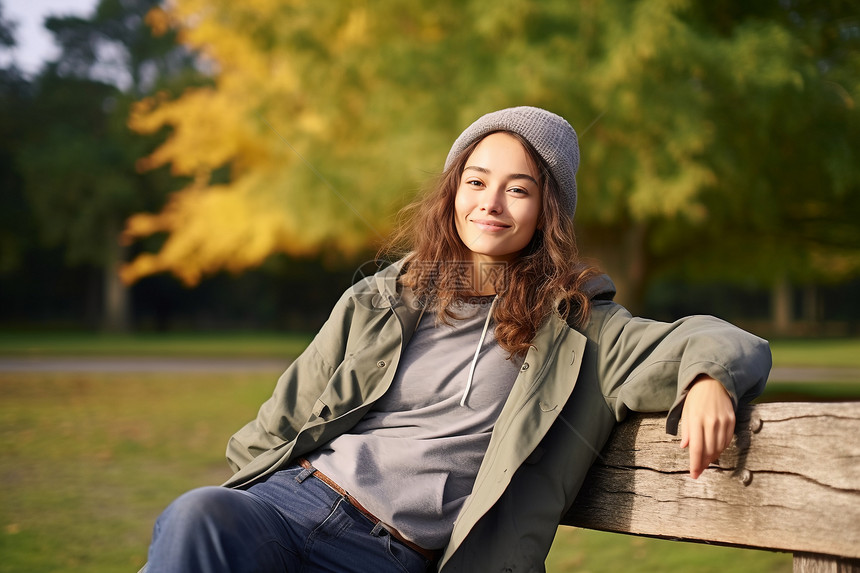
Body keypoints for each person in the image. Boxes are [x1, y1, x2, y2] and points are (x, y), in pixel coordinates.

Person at [144, 106, 771, 572]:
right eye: (476, 181)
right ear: (453, 192)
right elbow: (270, 430)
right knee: (200, 515)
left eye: (518, 188)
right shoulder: (384, 296)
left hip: (385, 553)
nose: (491, 203)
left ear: (549, 210)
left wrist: (710, 378)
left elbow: (721, 338)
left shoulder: (585, 328)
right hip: (287, 505)